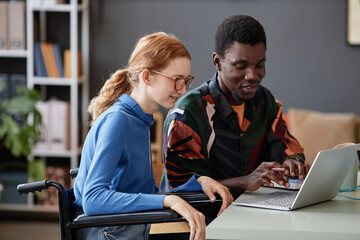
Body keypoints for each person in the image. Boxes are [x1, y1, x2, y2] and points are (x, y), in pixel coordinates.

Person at [73, 32, 233, 240]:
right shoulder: (118, 121)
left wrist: (200, 181)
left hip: (130, 228)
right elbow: (93, 199)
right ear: (147, 76)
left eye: (185, 81)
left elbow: (138, 194)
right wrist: (168, 200)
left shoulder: (141, 121)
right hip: (108, 233)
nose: (183, 90)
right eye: (176, 80)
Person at [160, 15, 310, 200]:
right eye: (241, 66)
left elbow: (287, 148)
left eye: (260, 65)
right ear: (218, 62)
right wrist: (244, 182)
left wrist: (292, 162)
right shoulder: (187, 114)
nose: (252, 75)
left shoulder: (265, 101)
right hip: (200, 221)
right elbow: (183, 191)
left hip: (251, 211)